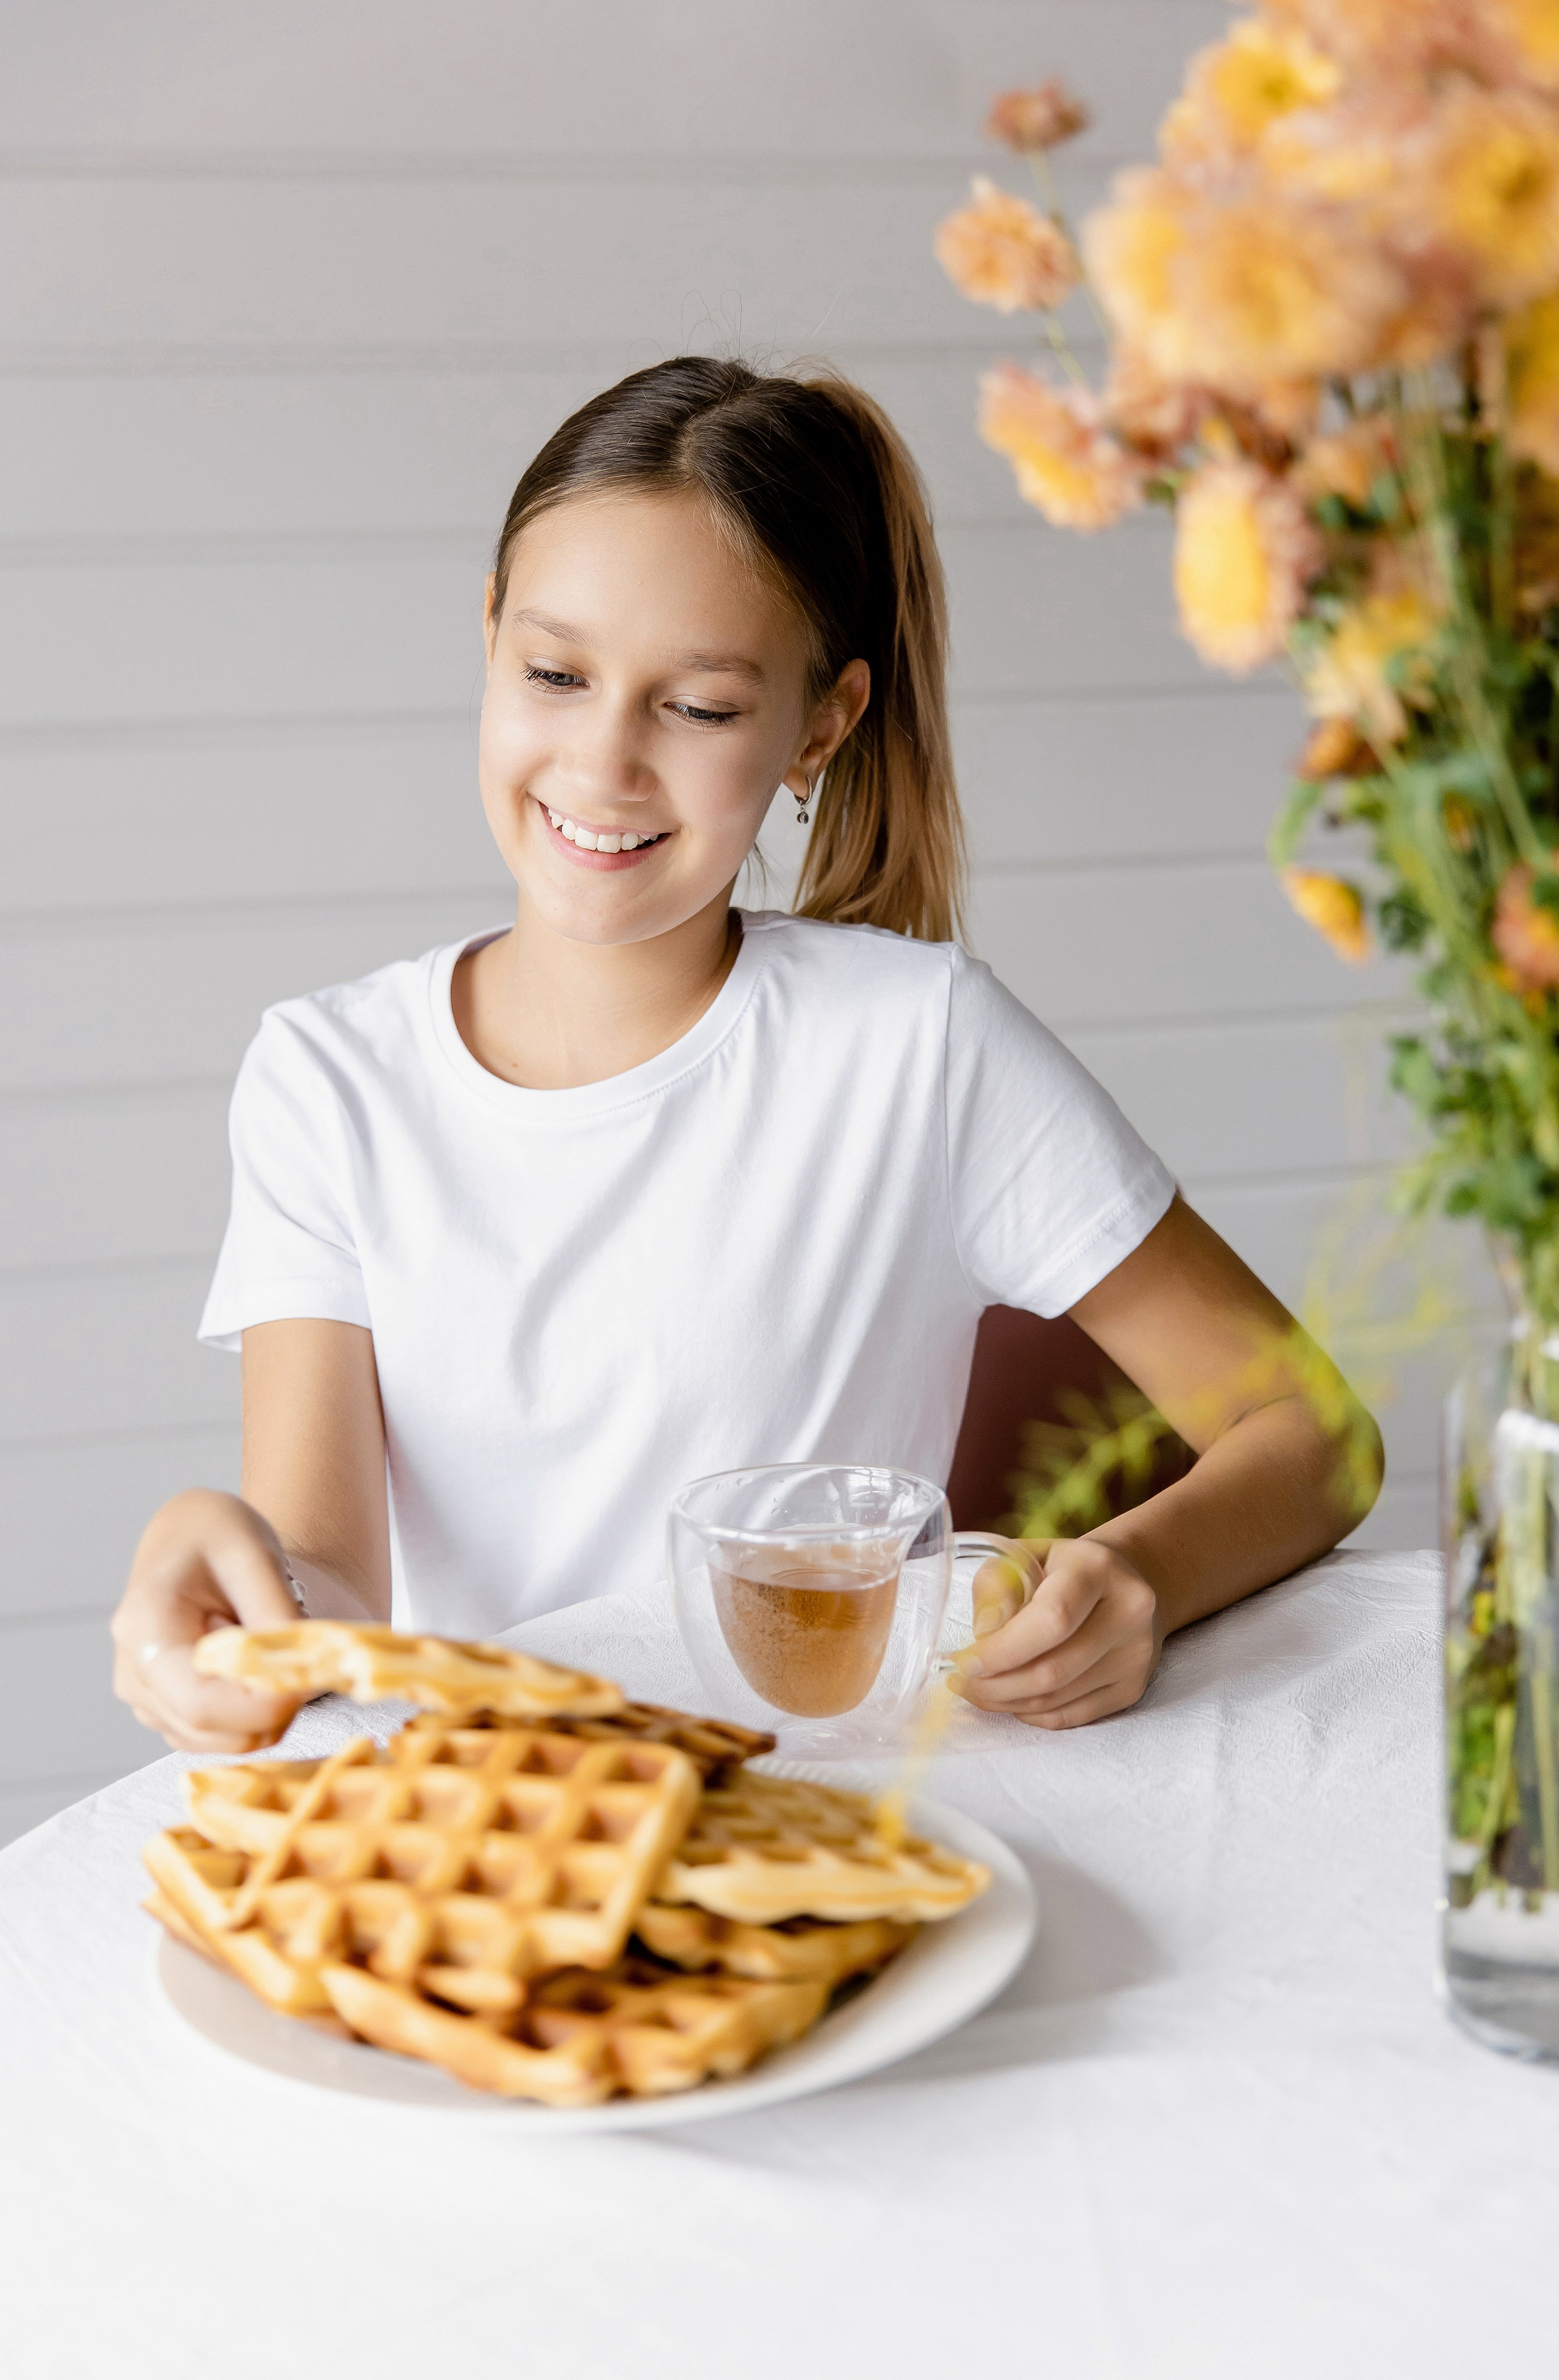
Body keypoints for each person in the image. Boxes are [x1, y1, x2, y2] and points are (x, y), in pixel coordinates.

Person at [110, 356, 1381, 1758]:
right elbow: (331, 1578)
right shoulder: (325, 1078)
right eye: (554, 673)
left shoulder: (918, 1045)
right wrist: (225, 1565)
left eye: (699, 707)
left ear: (815, 728)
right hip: (490, 1827)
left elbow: (1310, 1430)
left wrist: (1139, 1573)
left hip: (830, 1816)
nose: (603, 763)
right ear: (487, 639)